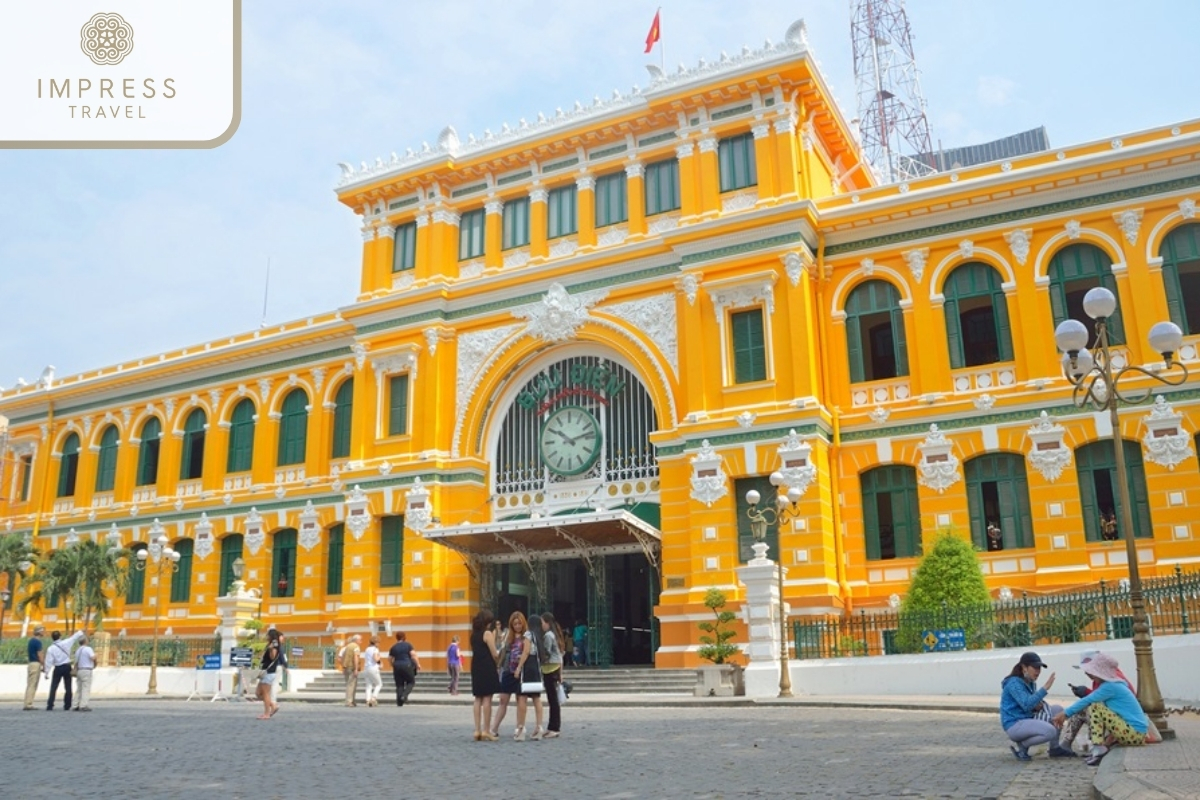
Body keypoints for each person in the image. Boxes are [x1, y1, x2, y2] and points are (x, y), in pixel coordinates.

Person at [1053, 652, 1159, 766]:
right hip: (1135, 733)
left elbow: (1087, 700)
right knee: (1097, 707)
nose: (1088, 674)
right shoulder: (1114, 684)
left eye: (1092, 671)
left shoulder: (1110, 686)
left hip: (1135, 733)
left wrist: (1065, 713)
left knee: (1095, 707)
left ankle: (1098, 749)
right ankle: (1100, 749)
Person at [999, 651, 1076, 761]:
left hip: (1027, 719)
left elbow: (1029, 704)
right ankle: (1023, 746)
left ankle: (1054, 748)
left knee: (1058, 710)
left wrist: (1037, 706)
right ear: (1024, 667)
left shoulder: (1030, 682)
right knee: (1050, 731)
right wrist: (1045, 688)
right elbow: (1026, 704)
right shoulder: (1014, 683)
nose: (1038, 671)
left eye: (1039, 668)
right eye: (1035, 668)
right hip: (1014, 723)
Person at [1059, 650, 1136, 753]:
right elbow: (1098, 696)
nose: (1086, 673)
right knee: (1086, 708)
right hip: (1115, 719)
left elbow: (1097, 699)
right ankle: (1069, 743)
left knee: (1087, 709)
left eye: (1088, 670)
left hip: (1120, 721)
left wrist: (1085, 694)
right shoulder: (1101, 678)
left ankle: (1097, 744)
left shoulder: (1112, 679)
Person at [490, 610, 540, 741]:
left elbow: (527, 652)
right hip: (508, 670)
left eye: (519, 623)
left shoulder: (527, 636)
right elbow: (503, 652)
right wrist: (498, 667)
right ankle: (494, 728)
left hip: (521, 672)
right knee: (503, 700)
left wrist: (519, 667)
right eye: (514, 624)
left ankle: (520, 728)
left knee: (521, 700)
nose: (517, 626)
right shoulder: (508, 635)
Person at [470, 609, 502, 741]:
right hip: (487, 666)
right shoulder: (487, 633)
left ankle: (477, 730)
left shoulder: (473, 635)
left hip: (476, 666)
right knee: (487, 698)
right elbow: (494, 653)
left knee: (478, 698)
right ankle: (486, 730)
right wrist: (500, 658)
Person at [44, 629, 85, 711]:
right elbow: (74, 637)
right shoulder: (66, 643)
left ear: (52, 638)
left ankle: (50, 705)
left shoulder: (50, 649)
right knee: (68, 687)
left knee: (53, 687)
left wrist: (46, 672)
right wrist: (80, 632)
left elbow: (48, 661)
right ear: (60, 636)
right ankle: (67, 705)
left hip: (58, 668)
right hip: (67, 666)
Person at [539, 611, 565, 739]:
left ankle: (554, 728)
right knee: (553, 700)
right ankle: (552, 726)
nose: (541, 625)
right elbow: (560, 655)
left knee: (552, 700)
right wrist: (561, 673)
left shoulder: (548, 636)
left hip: (550, 669)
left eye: (542, 622)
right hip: (555, 668)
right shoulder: (555, 634)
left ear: (547, 623)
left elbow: (547, 653)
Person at [388, 631, 420, 706]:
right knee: (411, 682)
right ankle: (404, 695)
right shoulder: (408, 645)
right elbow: (413, 655)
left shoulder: (394, 647)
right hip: (407, 664)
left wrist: (392, 665)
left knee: (399, 684)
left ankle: (399, 701)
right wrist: (417, 664)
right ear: (404, 637)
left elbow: (389, 658)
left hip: (397, 665)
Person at [256, 636, 282, 719]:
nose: (266, 636)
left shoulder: (274, 646)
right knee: (258, 693)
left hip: (269, 672)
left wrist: (271, 649)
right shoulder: (268, 645)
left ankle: (267, 714)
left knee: (265, 694)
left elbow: (273, 657)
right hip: (264, 672)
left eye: (268, 635)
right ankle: (273, 705)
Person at [23, 625, 46, 711]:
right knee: (33, 684)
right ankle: (29, 704)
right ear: (39, 632)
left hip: (30, 664)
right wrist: (43, 665)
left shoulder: (31, 641)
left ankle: (27, 702)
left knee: (30, 684)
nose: (44, 632)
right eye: (43, 631)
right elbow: (40, 654)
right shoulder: (37, 642)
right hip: (36, 664)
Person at [72, 633, 96, 712]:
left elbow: (76, 662)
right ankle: (83, 705)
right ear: (85, 641)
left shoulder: (78, 650)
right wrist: (96, 658)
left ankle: (75, 704)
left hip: (79, 670)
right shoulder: (88, 649)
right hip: (87, 670)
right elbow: (92, 657)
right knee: (86, 688)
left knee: (79, 688)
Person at [338, 634, 361, 707]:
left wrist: (343, 667)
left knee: (350, 684)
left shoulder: (346, 647)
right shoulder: (356, 647)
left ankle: (352, 700)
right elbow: (355, 657)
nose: (361, 642)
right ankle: (349, 701)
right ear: (356, 640)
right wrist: (356, 668)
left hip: (346, 667)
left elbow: (341, 658)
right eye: (360, 640)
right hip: (352, 667)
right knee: (351, 685)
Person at [362, 635, 383, 707]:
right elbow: (376, 659)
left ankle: (367, 700)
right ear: (376, 642)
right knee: (379, 684)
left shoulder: (367, 649)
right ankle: (374, 698)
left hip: (366, 668)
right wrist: (380, 662)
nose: (379, 644)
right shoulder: (375, 649)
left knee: (368, 685)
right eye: (378, 642)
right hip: (373, 668)